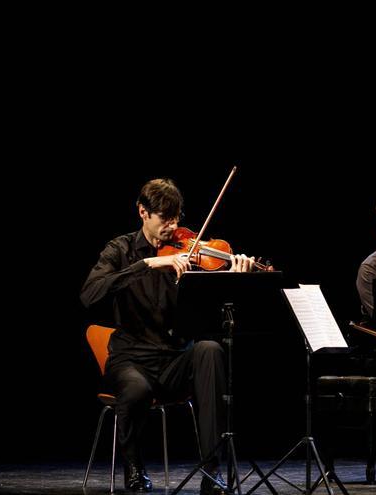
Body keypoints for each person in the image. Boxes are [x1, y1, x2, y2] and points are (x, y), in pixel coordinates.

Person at [80, 178, 255, 494]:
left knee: (210, 350)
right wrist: (147, 263)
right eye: (165, 218)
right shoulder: (120, 249)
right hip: (131, 357)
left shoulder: (188, 252)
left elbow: (213, 312)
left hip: (174, 357)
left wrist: (233, 279)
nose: (172, 227)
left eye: (176, 217)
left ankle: (212, 473)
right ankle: (134, 468)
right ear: (143, 212)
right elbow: (89, 294)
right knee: (135, 389)